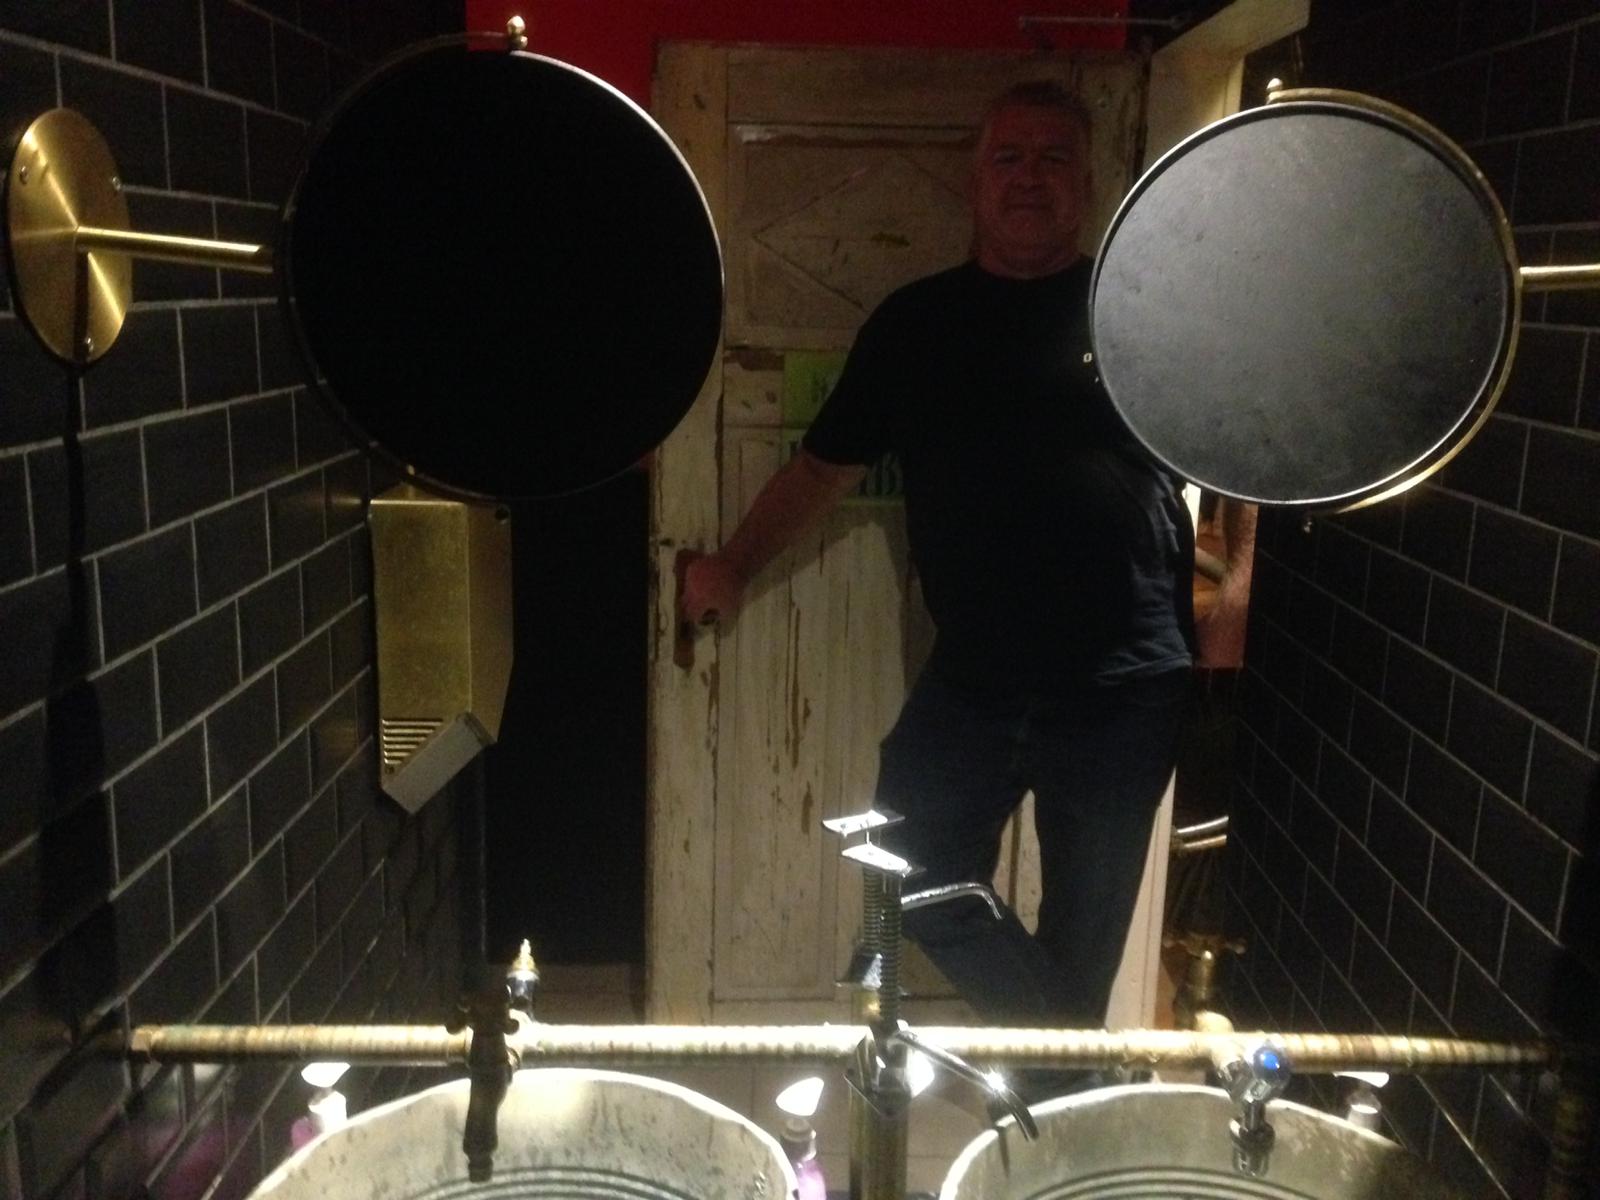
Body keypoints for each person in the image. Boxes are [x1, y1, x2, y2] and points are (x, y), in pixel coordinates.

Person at [682, 81, 1253, 1047]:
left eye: (1054, 159)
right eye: (1008, 158)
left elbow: (1245, 446)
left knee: (1083, 942)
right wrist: (735, 565)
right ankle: (1074, 1073)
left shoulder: (1143, 311)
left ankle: (1052, 1099)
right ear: (973, 179)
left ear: (1087, 184)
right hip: (974, 681)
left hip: (1122, 690)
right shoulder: (915, 324)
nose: (1030, 178)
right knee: (906, 873)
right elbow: (821, 469)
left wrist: (1239, 587)